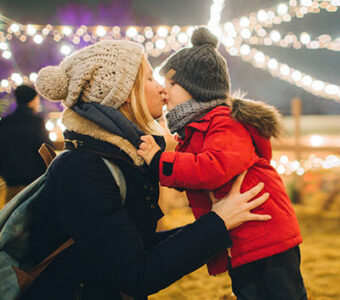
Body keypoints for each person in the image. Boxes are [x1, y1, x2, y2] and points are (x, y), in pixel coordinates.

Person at [19, 40, 271, 300]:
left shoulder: (118, 157)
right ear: (124, 92)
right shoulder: (84, 169)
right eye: (150, 78)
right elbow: (136, 273)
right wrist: (217, 223)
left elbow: (135, 245)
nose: (162, 89)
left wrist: (221, 225)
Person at [137, 27, 307, 299]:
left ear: (195, 87)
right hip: (243, 240)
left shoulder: (224, 123)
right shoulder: (196, 130)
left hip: (266, 236)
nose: (163, 92)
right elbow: (192, 172)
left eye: (170, 84)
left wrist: (161, 162)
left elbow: (212, 168)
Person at [0, 85, 49, 204]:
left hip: (12, 182)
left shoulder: (5, 122)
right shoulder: (37, 122)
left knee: (11, 217)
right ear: (31, 100)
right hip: (33, 183)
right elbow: (45, 148)